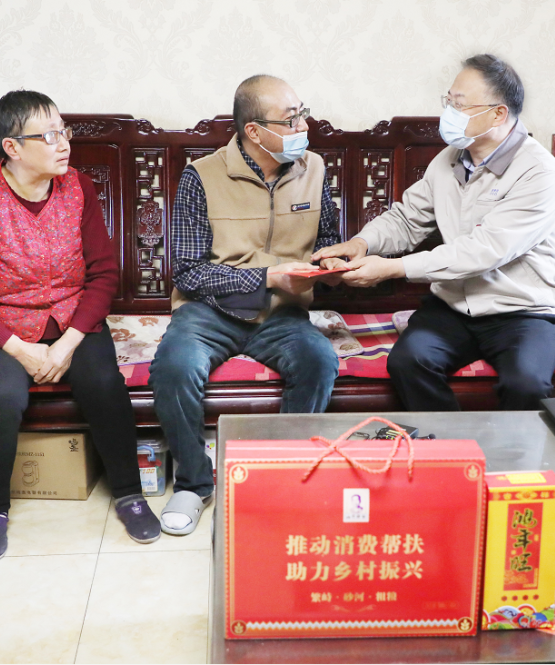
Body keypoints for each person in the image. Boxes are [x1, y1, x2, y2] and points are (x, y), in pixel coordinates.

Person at [0, 90, 161, 562]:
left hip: (73, 320)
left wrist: (66, 345)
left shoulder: (79, 187)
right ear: (12, 147)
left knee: (103, 382)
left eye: (65, 132)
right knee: (0, 396)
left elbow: (103, 274)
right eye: (50, 135)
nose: (64, 144)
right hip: (2, 325)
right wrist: (21, 349)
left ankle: (129, 493)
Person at [313, 54, 555, 412]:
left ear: (498, 114)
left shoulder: (538, 172)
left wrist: (393, 268)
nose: (448, 113)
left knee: (526, 384)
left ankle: (501, 449)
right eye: (448, 101)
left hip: (522, 311)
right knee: (408, 363)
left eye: (459, 105)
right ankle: (451, 443)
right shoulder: (449, 159)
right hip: (452, 307)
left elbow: (484, 251)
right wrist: (362, 243)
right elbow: (407, 218)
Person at [149, 74, 342, 535]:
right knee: (174, 367)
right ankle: (194, 484)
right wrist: (265, 276)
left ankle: (283, 477)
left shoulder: (314, 169)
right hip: (210, 311)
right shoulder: (201, 176)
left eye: (302, 114)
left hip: (282, 312)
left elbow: (328, 239)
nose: (303, 126)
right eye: (290, 119)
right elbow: (188, 272)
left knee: (318, 360)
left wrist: (330, 262)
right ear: (254, 131)